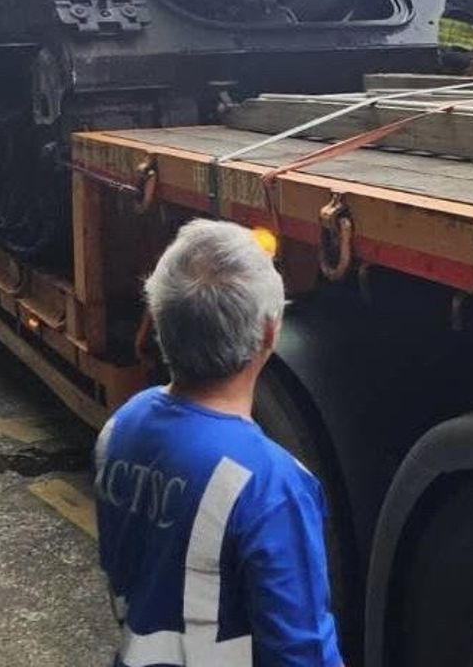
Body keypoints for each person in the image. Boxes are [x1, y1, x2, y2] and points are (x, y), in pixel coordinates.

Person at [94, 219, 343, 667]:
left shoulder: (121, 427)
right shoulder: (271, 485)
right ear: (269, 333)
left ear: (159, 316)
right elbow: (302, 652)